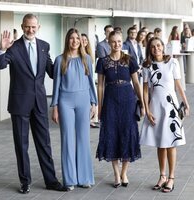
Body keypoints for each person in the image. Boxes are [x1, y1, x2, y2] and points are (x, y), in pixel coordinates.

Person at [0, 13, 66, 194]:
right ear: (22, 26)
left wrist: (69, 63)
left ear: (38, 27)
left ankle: (51, 181)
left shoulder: (44, 46)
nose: (30, 30)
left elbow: (52, 71)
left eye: (33, 27)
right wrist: (1, 49)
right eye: (27, 26)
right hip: (19, 104)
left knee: (44, 143)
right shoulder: (13, 47)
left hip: (40, 102)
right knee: (22, 144)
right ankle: (25, 181)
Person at [140, 37, 190, 193]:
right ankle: (162, 176)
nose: (156, 49)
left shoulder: (172, 62)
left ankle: (171, 178)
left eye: (159, 45)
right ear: (150, 49)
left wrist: (186, 103)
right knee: (160, 143)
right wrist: (147, 110)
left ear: (163, 47)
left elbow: (178, 85)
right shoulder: (148, 66)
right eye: (153, 47)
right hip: (156, 107)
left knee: (170, 143)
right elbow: (145, 89)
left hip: (171, 107)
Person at [96, 30, 144, 188]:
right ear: (108, 43)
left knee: (127, 134)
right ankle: (116, 174)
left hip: (127, 101)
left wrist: (142, 103)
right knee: (112, 134)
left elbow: (136, 83)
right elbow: (101, 85)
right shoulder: (102, 61)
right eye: (113, 41)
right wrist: (100, 106)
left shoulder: (129, 60)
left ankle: (124, 172)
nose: (116, 44)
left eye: (119, 41)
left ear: (122, 42)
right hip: (110, 101)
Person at [51, 28, 97, 191]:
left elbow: (92, 83)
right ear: (67, 40)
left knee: (83, 139)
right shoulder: (60, 60)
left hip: (84, 101)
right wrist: (55, 106)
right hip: (65, 102)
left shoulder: (87, 60)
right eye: (72, 38)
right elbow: (55, 85)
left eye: (77, 38)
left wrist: (94, 103)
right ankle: (69, 179)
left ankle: (84, 177)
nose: (75, 41)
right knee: (67, 140)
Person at [81, 33, 99, 128]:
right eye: (82, 39)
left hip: (88, 82)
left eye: (86, 40)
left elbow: (90, 74)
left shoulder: (88, 56)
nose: (84, 41)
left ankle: (90, 119)